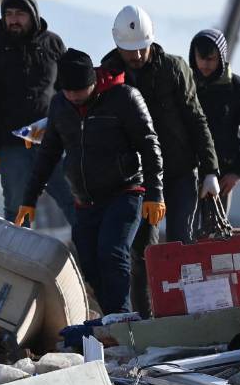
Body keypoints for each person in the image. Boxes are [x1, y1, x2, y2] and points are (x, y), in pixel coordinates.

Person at [15, 50, 164, 315]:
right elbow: (48, 154)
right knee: (89, 261)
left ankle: (121, 318)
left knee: (113, 251)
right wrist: (29, 199)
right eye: (68, 92)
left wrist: (155, 193)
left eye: (80, 91)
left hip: (126, 191)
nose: (74, 97)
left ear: (93, 82)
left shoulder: (125, 98)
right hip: (86, 200)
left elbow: (150, 146)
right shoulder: (60, 105)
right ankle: (112, 318)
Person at [102, 6, 219, 316]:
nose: (137, 56)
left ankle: (190, 314)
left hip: (180, 172)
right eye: (130, 50)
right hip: (137, 180)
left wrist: (210, 170)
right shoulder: (109, 76)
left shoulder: (174, 69)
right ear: (118, 45)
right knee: (143, 253)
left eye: (142, 48)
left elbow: (197, 119)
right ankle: (146, 320)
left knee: (182, 245)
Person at [0, 0, 76, 226]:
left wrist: (73, 136)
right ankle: (16, 263)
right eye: (8, 14)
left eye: (19, 14)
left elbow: (69, 92)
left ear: (33, 15)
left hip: (53, 144)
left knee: (75, 204)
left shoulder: (53, 44)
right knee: (17, 211)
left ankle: (90, 260)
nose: (13, 20)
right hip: (12, 148)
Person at [189, 29, 240, 219]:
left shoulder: (237, 88)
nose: (206, 64)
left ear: (221, 57)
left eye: (212, 58)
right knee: (184, 239)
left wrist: (238, 172)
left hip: (221, 179)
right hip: (185, 176)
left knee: (215, 238)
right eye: (201, 58)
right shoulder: (183, 85)